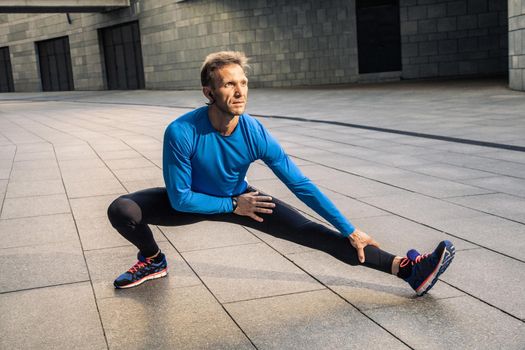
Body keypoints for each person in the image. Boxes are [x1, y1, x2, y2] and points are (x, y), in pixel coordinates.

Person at [107, 51, 455, 295]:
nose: (240, 91)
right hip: (197, 201)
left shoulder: (253, 131)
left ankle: (409, 270)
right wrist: (231, 206)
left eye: (243, 82)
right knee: (122, 210)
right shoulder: (182, 132)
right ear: (208, 92)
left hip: (242, 198)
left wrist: (349, 228)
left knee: (312, 233)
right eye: (229, 85)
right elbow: (181, 198)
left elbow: (299, 183)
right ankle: (153, 261)